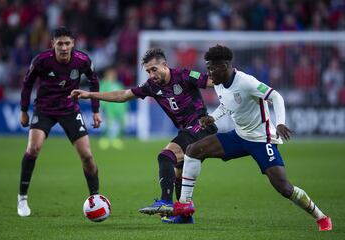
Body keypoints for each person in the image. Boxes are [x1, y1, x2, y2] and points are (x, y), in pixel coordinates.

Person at [173, 45, 332, 231]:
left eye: (211, 68)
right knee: (193, 151)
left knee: (284, 187)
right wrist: (213, 117)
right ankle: (185, 207)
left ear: (224, 66)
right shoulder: (218, 83)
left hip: (261, 140)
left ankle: (322, 217)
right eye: (207, 67)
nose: (208, 72)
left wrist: (280, 122)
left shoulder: (246, 82)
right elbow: (227, 105)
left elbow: (276, 96)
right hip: (240, 136)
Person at [70, 48, 217, 224]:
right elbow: (122, 95)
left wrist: (237, 82)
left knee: (166, 156)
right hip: (187, 130)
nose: (151, 74)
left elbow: (214, 81)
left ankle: (165, 202)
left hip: (202, 126)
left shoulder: (184, 75)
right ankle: (184, 216)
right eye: (148, 71)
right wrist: (90, 94)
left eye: (154, 69)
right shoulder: (151, 86)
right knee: (178, 171)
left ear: (164, 65)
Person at [17, 27, 102, 217]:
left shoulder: (82, 60)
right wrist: (24, 110)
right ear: (52, 44)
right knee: (33, 149)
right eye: (60, 43)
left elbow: (94, 81)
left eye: (67, 43)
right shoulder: (42, 60)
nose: (64, 47)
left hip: (70, 110)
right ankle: (22, 197)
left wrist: (96, 110)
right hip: (44, 109)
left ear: (73, 44)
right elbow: (27, 83)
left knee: (87, 156)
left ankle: (95, 198)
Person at [98, 66, 128, 150]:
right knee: (108, 124)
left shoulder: (118, 84)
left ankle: (116, 140)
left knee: (120, 125)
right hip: (109, 108)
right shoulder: (104, 84)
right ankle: (105, 140)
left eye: (113, 74)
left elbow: (125, 95)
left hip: (119, 108)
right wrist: (101, 106)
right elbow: (101, 95)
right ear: (106, 75)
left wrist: (125, 106)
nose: (112, 76)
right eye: (111, 74)